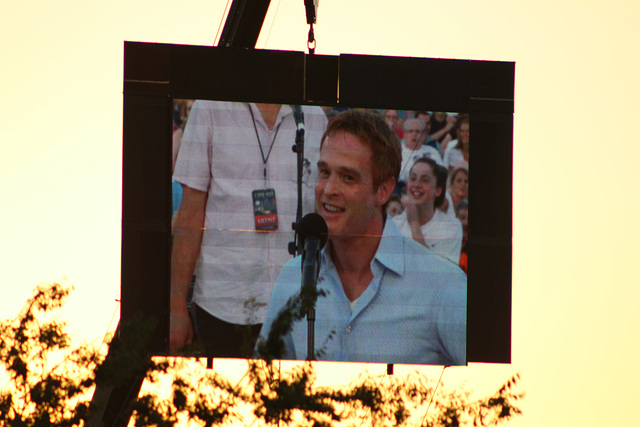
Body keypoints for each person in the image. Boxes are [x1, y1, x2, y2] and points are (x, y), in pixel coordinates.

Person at [258, 110, 467, 366]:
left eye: (348, 177)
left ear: (383, 190)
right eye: (324, 172)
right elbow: (264, 385)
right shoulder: (293, 278)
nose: (329, 190)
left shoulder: (444, 285)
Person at [171, 101, 328, 357]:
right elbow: (190, 212)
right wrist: (176, 304)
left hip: (293, 309)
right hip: (221, 306)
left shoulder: (313, 116)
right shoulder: (209, 107)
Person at [393, 158, 463, 264]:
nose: (416, 185)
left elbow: (438, 273)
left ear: (438, 190)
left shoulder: (451, 226)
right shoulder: (394, 224)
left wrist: (414, 223)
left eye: (424, 180)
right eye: (413, 178)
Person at [399, 118, 443, 184]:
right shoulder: (398, 151)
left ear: (423, 134)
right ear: (405, 134)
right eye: (411, 131)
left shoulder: (432, 151)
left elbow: (441, 174)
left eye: (417, 131)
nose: (414, 134)